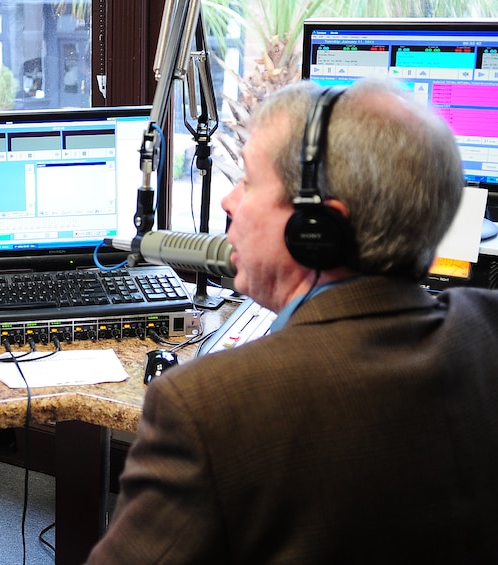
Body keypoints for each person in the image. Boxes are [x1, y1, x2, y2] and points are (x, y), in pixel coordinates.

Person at [84, 78, 498, 563]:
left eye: (250, 182)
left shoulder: (207, 405)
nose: (228, 202)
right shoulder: (486, 327)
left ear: (317, 228)